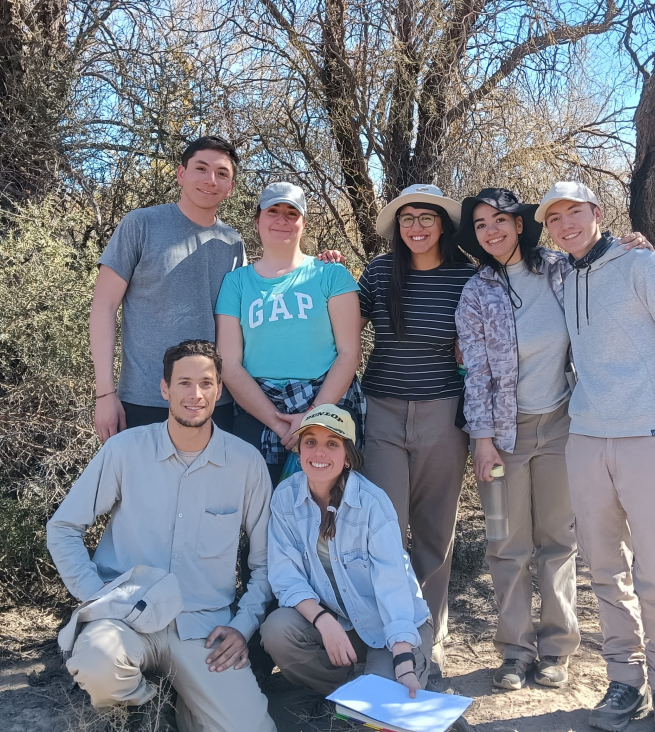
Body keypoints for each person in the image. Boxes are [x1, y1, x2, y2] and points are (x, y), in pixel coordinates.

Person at [455, 188, 653, 692]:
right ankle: (515, 653)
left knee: (557, 542)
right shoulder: (477, 291)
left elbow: (603, 278)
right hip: (502, 437)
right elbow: (474, 373)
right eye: (480, 225)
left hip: (564, 427)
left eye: (500, 220)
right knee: (505, 543)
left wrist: (631, 247)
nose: (491, 231)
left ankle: (556, 649)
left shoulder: (559, 271)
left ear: (520, 224)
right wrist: (482, 439)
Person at [540, 181, 655, 732]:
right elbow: (499, 252)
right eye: (555, 218)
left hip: (648, 437)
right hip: (586, 439)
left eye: (576, 212)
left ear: (597, 212)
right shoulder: (562, 276)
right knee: (604, 570)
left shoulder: (643, 266)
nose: (567, 224)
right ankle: (624, 681)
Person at [46, 340, 278, 731]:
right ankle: (149, 712)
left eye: (206, 383)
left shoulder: (245, 464)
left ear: (219, 390)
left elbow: (267, 562)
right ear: (164, 389)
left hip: (202, 630)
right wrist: (95, 595)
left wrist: (243, 626)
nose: (195, 394)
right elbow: (64, 527)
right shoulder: (125, 450)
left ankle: (187, 702)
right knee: (98, 661)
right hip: (124, 619)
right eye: (184, 383)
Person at [355, 184, 475, 673]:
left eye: (428, 218)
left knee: (434, 530)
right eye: (408, 219)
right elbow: (344, 321)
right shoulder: (381, 272)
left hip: (443, 412)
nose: (418, 227)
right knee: (384, 528)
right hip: (381, 409)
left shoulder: (467, 276)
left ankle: (431, 634)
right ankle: (388, 633)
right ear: (396, 227)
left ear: (444, 225)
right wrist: (323, 274)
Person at [260, 405, 436, 698]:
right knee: (277, 631)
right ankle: (350, 692)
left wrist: (403, 659)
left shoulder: (372, 504)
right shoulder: (285, 498)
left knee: (385, 707)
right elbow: (286, 577)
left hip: (392, 628)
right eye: (310, 442)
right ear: (299, 449)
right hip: (341, 622)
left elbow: (393, 586)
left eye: (332, 444)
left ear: (347, 457)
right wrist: (323, 621)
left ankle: (377, 685)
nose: (319, 453)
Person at [90, 137, 244, 439]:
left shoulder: (233, 242)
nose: (211, 180)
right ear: (181, 174)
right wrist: (105, 394)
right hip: (144, 400)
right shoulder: (140, 225)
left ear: (231, 188)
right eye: (201, 168)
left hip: (215, 405)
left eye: (222, 173)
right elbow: (103, 307)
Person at [215, 182, 364, 486]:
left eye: (291, 213)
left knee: (328, 510)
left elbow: (349, 352)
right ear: (258, 220)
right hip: (258, 411)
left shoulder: (332, 275)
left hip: (327, 404)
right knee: (259, 512)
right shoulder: (236, 283)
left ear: (303, 224)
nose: (282, 220)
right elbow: (228, 363)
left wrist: (311, 419)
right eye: (273, 212)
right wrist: (280, 423)